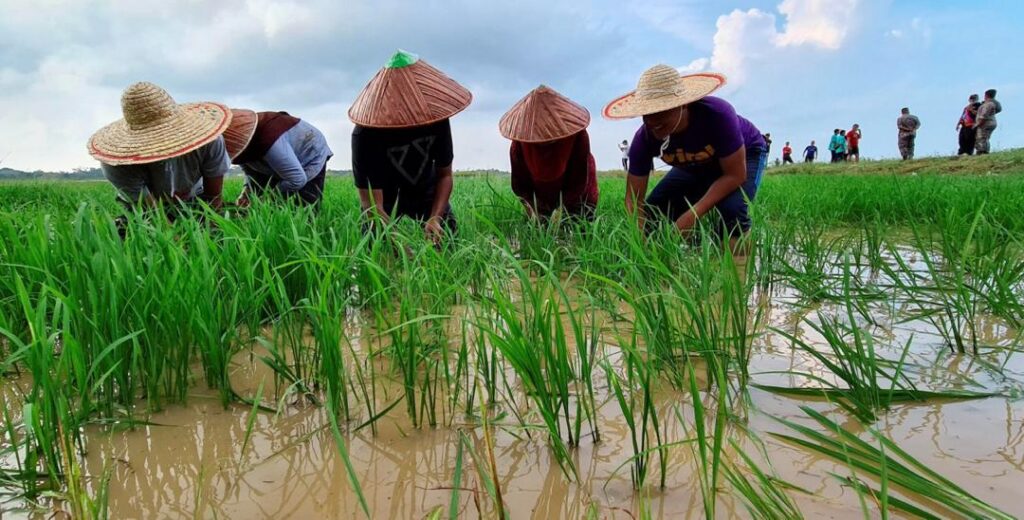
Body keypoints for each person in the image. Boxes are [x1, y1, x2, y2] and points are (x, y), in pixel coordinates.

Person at [604, 65, 767, 241]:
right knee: (653, 214)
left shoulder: (717, 115)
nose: (652, 120)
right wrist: (641, 240)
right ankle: (695, 250)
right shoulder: (644, 139)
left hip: (744, 156)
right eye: (646, 112)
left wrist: (691, 216)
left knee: (732, 211)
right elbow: (633, 201)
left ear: (684, 104)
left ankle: (737, 264)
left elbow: (735, 175)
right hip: (693, 164)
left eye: (662, 110)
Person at [349, 50, 472, 244]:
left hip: (424, 185)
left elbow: (445, 175)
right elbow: (370, 205)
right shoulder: (365, 134)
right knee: (375, 244)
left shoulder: (436, 120)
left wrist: (435, 218)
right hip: (384, 194)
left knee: (448, 238)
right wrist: (398, 243)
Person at [88, 81, 231, 214]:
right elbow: (155, 216)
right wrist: (176, 241)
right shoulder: (117, 165)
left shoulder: (209, 142)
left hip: (195, 201)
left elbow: (214, 198)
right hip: (144, 212)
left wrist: (211, 227)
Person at [500, 85, 598, 220]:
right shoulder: (520, 142)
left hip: (577, 194)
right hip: (540, 196)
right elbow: (520, 184)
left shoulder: (578, 136)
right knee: (541, 229)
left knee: (578, 226)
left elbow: (578, 180)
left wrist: (561, 210)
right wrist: (532, 208)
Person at [223, 109, 333, 207]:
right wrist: (246, 193)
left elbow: (297, 179)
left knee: (307, 205)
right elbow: (251, 172)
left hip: (308, 152)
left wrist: (268, 200)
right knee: (267, 206)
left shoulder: (270, 141)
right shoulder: (239, 146)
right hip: (274, 157)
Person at [975, 89, 1002, 155]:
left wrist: (978, 123)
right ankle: (983, 150)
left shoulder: (988, 104)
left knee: (981, 137)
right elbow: (998, 109)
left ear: (986, 95)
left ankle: (982, 151)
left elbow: (984, 115)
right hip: (991, 121)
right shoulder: (995, 103)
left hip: (985, 123)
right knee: (985, 137)